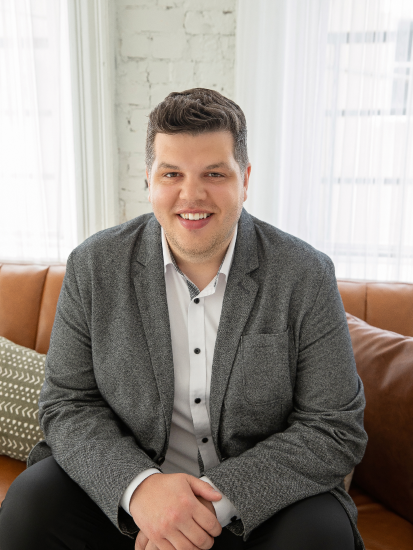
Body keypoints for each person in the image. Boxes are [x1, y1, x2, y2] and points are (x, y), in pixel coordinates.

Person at [0, 88, 368, 550]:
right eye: (172, 173)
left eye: (214, 173)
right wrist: (142, 489)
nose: (191, 195)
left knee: (321, 534)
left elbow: (334, 427)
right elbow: (67, 404)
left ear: (245, 179)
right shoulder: (93, 266)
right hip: (129, 497)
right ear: (149, 180)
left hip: (257, 505)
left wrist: (214, 502)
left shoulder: (305, 274)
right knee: (30, 505)